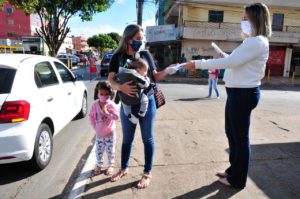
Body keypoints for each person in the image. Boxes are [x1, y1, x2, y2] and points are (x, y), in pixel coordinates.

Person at [183, 3, 271, 189]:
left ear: (257, 19)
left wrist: (198, 63)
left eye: (246, 18)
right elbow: (235, 62)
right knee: (232, 134)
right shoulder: (251, 41)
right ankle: (233, 170)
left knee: (240, 137)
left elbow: (231, 62)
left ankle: (237, 179)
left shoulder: (257, 41)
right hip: (237, 92)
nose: (242, 21)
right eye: (242, 18)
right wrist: (225, 58)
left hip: (243, 94)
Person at [108, 24, 177, 189]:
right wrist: (121, 88)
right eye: (137, 39)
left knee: (148, 138)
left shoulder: (145, 55)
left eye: (141, 38)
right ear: (128, 39)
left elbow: (155, 77)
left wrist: (169, 70)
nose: (140, 41)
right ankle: (124, 168)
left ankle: (147, 173)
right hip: (127, 103)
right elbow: (111, 80)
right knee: (127, 139)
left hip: (148, 100)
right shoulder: (117, 57)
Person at [89, 81, 119, 176]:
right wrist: (95, 127)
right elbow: (91, 117)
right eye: (101, 94)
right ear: (97, 93)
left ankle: (111, 165)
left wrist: (107, 113)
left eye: (106, 94)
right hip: (99, 134)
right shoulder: (94, 105)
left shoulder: (111, 105)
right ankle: (99, 164)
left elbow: (116, 117)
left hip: (110, 134)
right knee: (98, 151)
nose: (103, 96)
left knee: (110, 151)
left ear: (110, 94)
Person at [115, 58, 150, 124]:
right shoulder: (137, 77)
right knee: (145, 100)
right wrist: (147, 79)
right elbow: (145, 85)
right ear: (138, 70)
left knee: (126, 106)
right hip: (136, 97)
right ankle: (142, 112)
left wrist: (117, 100)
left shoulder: (122, 74)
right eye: (145, 71)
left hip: (125, 98)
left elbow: (116, 83)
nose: (146, 73)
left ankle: (129, 115)